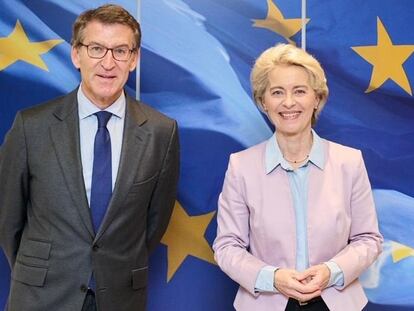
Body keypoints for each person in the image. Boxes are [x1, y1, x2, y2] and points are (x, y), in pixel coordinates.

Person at [0, 4, 179, 311]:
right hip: (42, 296)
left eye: (120, 50)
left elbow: (153, 224)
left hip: (120, 296)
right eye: (96, 48)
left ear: (134, 59)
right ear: (76, 55)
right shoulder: (31, 126)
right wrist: (46, 272)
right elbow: (8, 219)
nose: (108, 62)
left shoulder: (162, 132)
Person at [213, 43, 382, 311]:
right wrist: (272, 278)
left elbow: (368, 239)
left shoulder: (349, 162)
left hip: (336, 302)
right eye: (277, 92)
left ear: (316, 98)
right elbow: (226, 247)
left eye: (299, 91)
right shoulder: (241, 166)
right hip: (265, 302)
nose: (288, 102)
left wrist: (332, 271)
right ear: (263, 101)